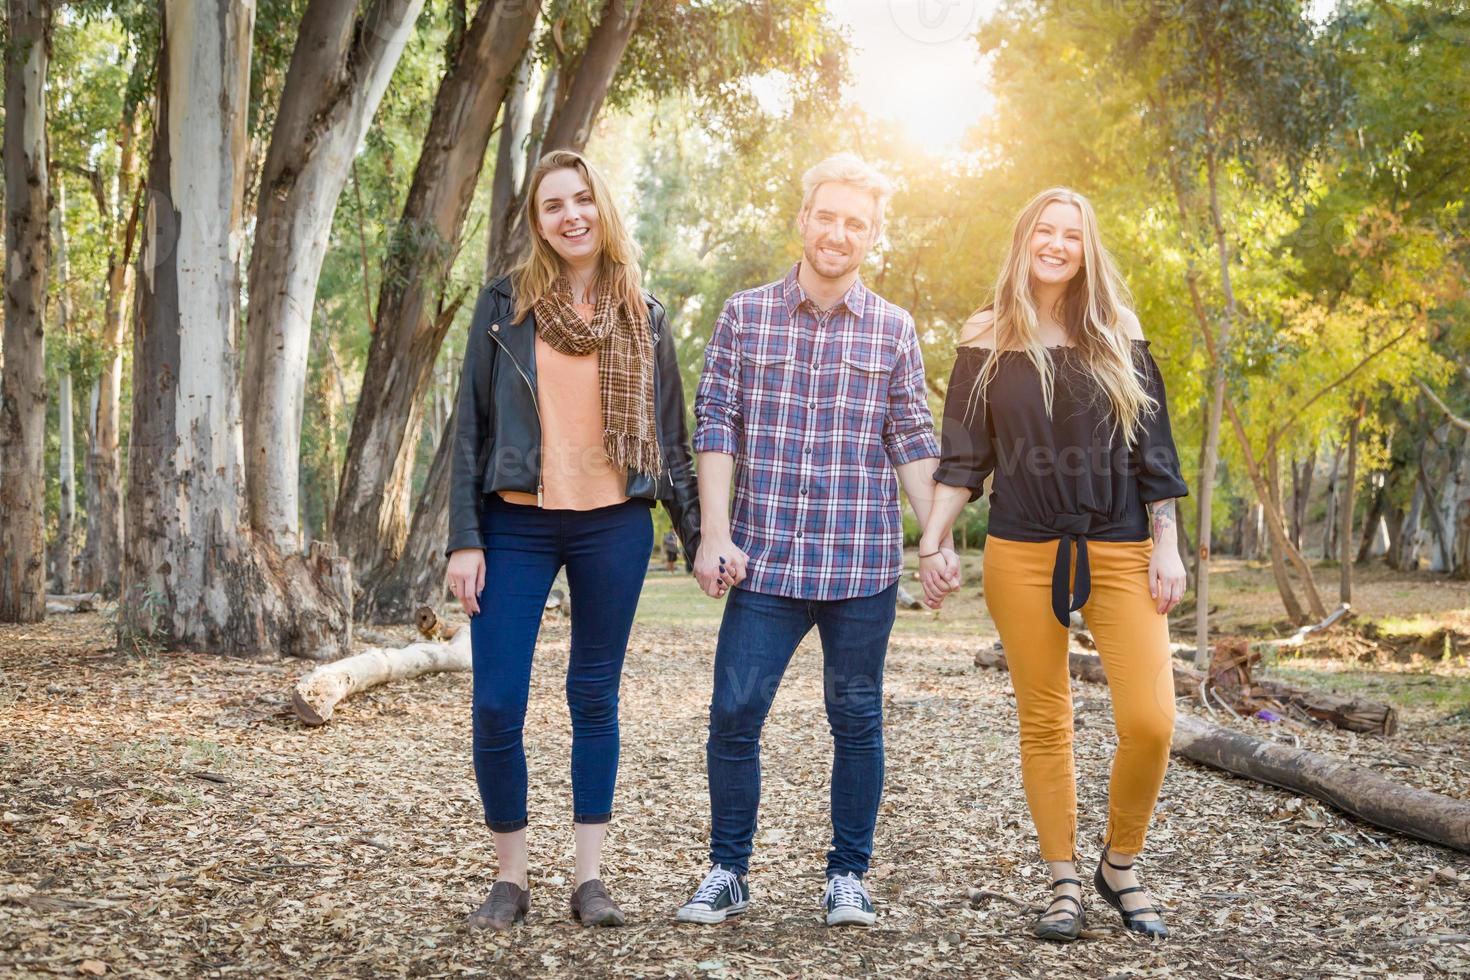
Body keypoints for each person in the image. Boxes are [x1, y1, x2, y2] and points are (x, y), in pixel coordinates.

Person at [675, 154, 950, 929]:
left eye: (855, 222)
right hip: (762, 561)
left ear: (872, 236)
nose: (838, 233)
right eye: (826, 216)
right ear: (802, 220)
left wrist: (934, 540)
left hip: (859, 565)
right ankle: (728, 870)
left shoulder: (894, 328)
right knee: (735, 713)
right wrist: (715, 534)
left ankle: (849, 877)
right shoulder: (744, 314)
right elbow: (716, 425)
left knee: (855, 721)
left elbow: (912, 439)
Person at [918, 187, 1188, 942]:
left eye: (1072, 233)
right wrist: (934, 539)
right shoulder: (986, 335)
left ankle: (1120, 864)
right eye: (1046, 229)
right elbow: (964, 458)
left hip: (1120, 542)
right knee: (1045, 720)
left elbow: (1154, 453)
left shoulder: (1117, 330)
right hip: (1022, 547)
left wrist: (1166, 544)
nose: (1058, 243)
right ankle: (1064, 879)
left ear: (1086, 246)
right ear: (1024, 238)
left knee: (1151, 719)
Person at [445, 149, 700, 931]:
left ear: (602, 206)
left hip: (613, 523)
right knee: (496, 703)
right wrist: (465, 537)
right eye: (554, 205)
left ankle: (589, 879)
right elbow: (468, 431)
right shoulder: (502, 306)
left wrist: (700, 539)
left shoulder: (643, 313)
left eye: (582, 199)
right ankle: (510, 879)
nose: (571, 216)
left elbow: (672, 442)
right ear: (538, 223)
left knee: (593, 695)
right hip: (515, 522)